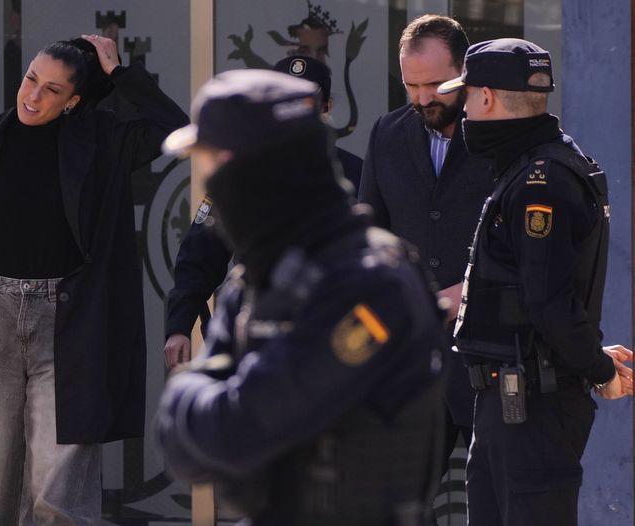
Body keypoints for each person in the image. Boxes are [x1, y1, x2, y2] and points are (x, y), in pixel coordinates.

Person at [0, 35, 188, 524]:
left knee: (58, 491)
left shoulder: (102, 142)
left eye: (51, 90)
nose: (32, 96)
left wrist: (118, 72)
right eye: (30, 79)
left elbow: (174, 128)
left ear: (73, 100)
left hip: (68, 324)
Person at [155, 69, 446, 525]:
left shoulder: (371, 284)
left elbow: (234, 430)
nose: (208, 183)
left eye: (212, 162)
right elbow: (187, 454)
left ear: (256, 166)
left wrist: (187, 397)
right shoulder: (255, 277)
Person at [438, 38, 634, 525]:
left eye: (465, 96)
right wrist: (590, 361)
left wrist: (597, 370)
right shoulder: (536, 167)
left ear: (485, 97)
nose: (462, 110)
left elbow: (549, 302)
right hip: (512, 404)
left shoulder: (538, 181)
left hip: (528, 410)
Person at [357, 14, 494, 493]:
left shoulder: (503, 137)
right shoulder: (386, 134)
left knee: (498, 501)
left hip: (489, 358)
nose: (422, 98)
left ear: (466, 71)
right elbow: (369, 238)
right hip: (411, 360)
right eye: (410, 85)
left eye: (435, 84)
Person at [163, 54, 362, 370]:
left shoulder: (356, 174)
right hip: (257, 333)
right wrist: (179, 323)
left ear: (326, 107)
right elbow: (200, 254)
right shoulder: (240, 178)